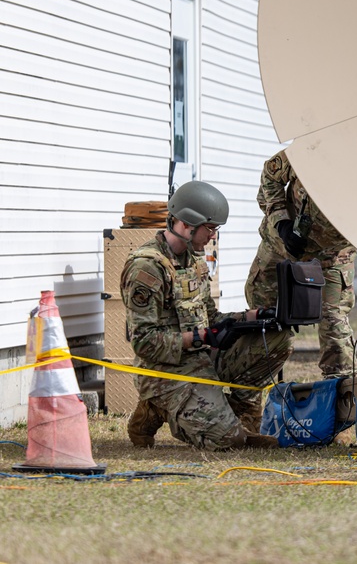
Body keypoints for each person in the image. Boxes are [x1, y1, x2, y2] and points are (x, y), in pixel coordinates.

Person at [122, 180, 292, 450]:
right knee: (228, 441)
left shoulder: (194, 261)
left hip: (200, 357)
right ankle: (152, 408)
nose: (213, 236)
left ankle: (243, 421)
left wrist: (254, 317)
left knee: (276, 339)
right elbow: (144, 342)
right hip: (165, 371)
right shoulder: (147, 269)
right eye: (210, 228)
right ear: (187, 224)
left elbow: (210, 318)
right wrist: (202, 337)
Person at [245, 149, 357, 382]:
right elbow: (270, 175)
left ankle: (341, 393)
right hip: (280, 244)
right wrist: (282, 223)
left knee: (334, 326)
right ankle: (255, 383)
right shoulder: (314, 147)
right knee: (261, 314)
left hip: (332, 258)